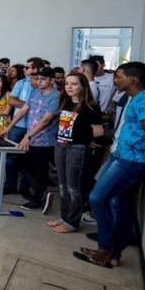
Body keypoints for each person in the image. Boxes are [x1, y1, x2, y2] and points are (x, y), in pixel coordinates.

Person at [78, 62, 145, 268]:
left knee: (98, 198)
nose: (114, 80)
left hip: (132, 161)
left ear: (131, 80)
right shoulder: (134, 99)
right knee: (121, 204)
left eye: (118, 76)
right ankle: (115, 255)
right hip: (122, 155)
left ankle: (105, 248)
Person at [47, 73, 103, 233]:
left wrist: (82, 138)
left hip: (77, 148)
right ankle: (64, 217)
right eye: (67, 83)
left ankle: (72, 222)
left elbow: (98, 131)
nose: (69, 87)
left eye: (74, 84)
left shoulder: (90, 107)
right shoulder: (66, 102)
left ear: (83, 86)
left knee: (74, 187)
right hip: (60, 146)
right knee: (63, 186)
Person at [1, 67, 60, 212]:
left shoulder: (56, 96)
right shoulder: (35, 92)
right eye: (37, 79)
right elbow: (23, 111)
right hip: (31, 138)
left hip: (45, 140)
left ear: (52, 80)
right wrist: (9, 127)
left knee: (39, 171)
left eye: (43, 79)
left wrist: (28, 136)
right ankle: (42, 194)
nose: (39, 82)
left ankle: (38, 198)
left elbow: (46, 120)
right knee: (21, 164)